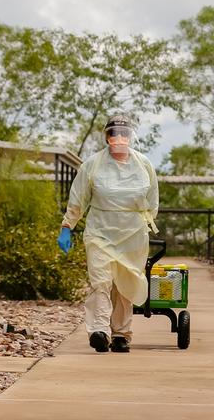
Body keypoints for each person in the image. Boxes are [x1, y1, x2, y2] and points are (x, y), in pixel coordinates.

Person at [57, 114, 159, 353]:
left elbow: (152, 201)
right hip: (100, 231)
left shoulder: (143, 165)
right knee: (100, 282)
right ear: (107, 137)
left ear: (130, 137)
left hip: (132, 233)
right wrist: (66, 227)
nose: (119, 138)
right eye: (114, 134)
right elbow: (78, 199)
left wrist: (142, 224)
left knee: (125, 283)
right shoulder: (93, 165)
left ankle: (122, 335)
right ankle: (99, 331)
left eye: (124, 134)